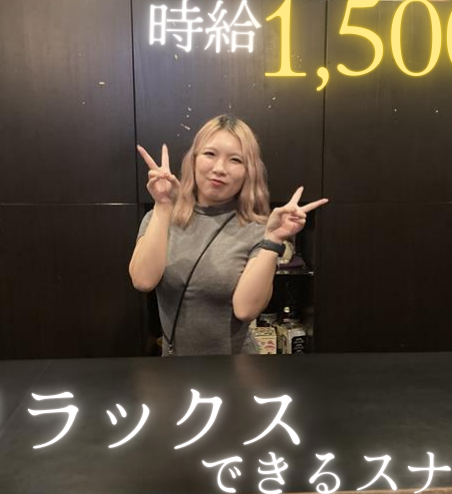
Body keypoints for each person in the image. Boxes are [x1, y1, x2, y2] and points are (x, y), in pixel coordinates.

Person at [129, 114, 328, 356]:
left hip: (236, 367)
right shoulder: (159, 218)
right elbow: (143, 281)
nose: (219, 168)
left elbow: (246, 310)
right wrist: (162, 205)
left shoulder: (257, 229)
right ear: (193, 160)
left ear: (249, 171)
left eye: (235, 160)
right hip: (176, 367)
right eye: (210, 154)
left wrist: (273, 240)